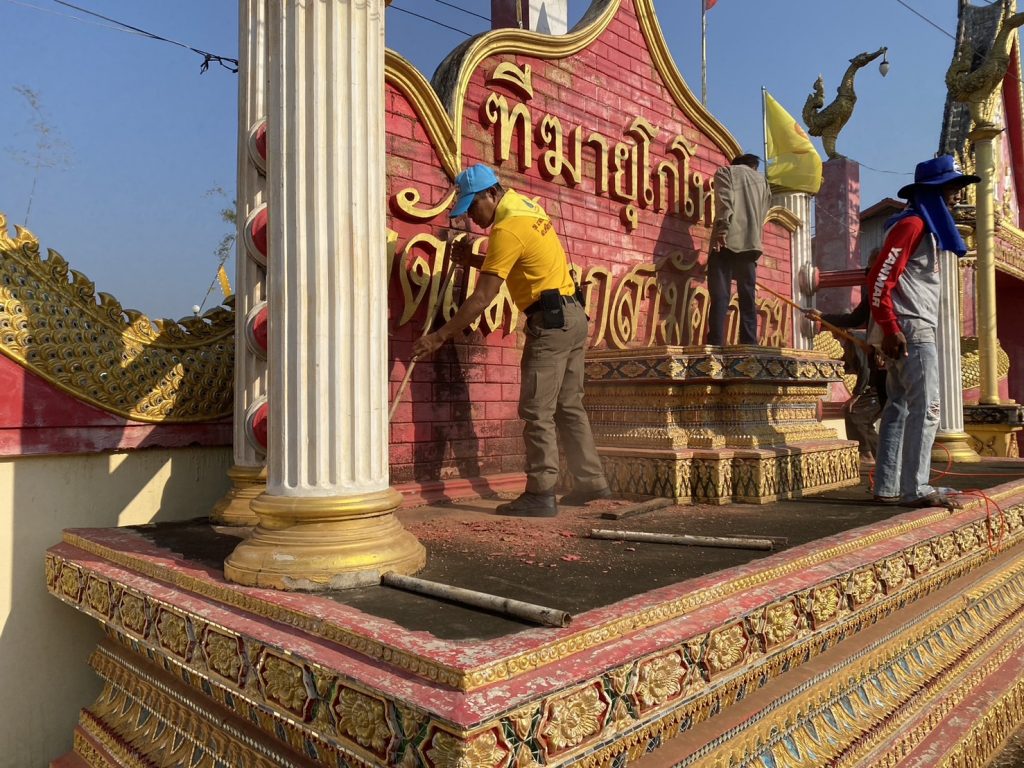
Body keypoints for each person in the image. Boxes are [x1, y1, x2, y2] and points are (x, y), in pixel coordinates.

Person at [412, 164, 611, 518]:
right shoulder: (526, 207)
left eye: (473, 206)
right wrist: (474, 259)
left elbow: (482, 298)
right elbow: (521, 260)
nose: (473, 218)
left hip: (550, 323)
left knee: (537, 411)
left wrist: (439, 336)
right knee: (569, 406)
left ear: (491, 193)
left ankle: (541, 493)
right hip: (573, 316)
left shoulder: (506, 227)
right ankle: (591, 482)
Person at [867, 155, 978, 508]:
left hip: (906, 328)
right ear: (931, 191)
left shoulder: (921, 227)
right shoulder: (912, 224)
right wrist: (890, 327)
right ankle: (916, 488)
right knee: (927, 408)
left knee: (899, 407)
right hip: (911, 329)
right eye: (951, 188)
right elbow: (879, 278)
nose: (957, 196)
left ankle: (888, 486)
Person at [804, 251, 887, 465]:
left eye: (874, 270)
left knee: (876, 414)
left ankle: (882, 458)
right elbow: (854, 318)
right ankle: (877, 457)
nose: (871, 275)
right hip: (880, 369)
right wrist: (822, 317)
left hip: (894, 362)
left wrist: (884, 349)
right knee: (870, 417)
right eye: (869, 271)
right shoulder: (874, 295)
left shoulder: (895, 291)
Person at [707, 153, 772, 345]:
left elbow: (725, 202)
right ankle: (749, 342)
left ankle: (716, 343)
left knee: (720, 294)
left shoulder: (726, 172)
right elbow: (763, 213)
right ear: (753, 166)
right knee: (747, 296)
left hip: (727, 241)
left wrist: (722, 230)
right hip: (751, 244)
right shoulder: (763, 182)